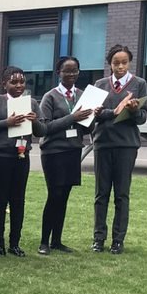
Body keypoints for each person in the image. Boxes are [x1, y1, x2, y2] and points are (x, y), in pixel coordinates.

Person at [0, 66, 46, 257]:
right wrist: (6, 123)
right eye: (13, 82)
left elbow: (42, 131)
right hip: (0, 157)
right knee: (0, 200)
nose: (18, 85)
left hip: (21, 157)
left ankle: (14, 243)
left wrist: (34, 121)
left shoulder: (32, 103)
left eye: (22, 82)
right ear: (4, 83)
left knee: (18, 201)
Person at [91, 44, 147, 254]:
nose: (120, 67)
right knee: (101, 194)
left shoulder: (139, 84)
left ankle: (118, 240)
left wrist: (133, 111)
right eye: (116, 63)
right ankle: (98, 238)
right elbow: (93, 114)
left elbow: (142, 118)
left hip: (126, 145)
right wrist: (112, 112)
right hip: (103, 143)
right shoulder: (100, 84)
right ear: (110, 64)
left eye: (124, 62)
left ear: (129, 63)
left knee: (122, 194)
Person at [38, 56, 95, 255]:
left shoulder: (82, 96)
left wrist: (91, 117)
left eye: (75, 71)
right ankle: (44, 241)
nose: (71, 75)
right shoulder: (50, 97)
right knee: (54, 195)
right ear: (58, 73)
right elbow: (44, 127)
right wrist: (72, 117)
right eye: (67, 71)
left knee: (64, 197)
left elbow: (86, 129)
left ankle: (57, 241)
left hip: (73, 150)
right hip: (54, 152)